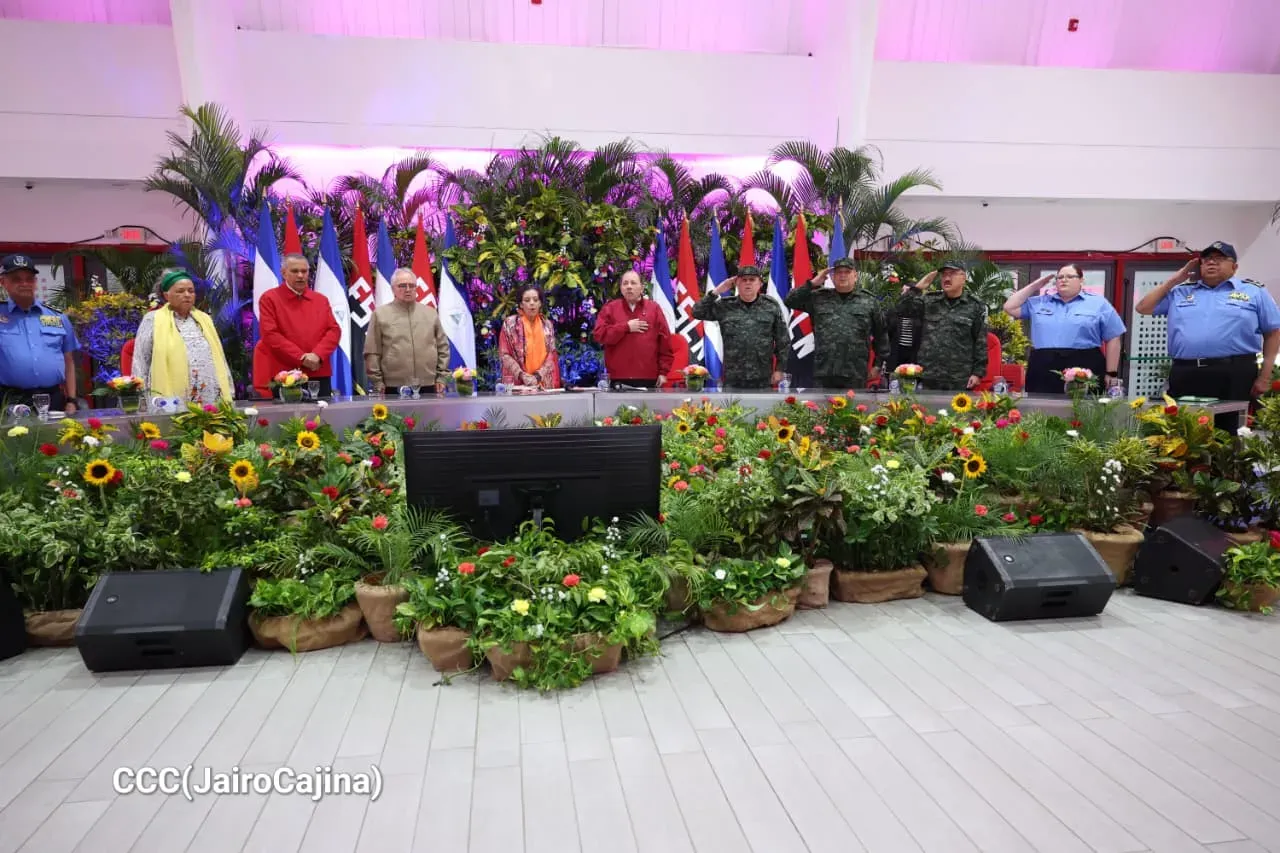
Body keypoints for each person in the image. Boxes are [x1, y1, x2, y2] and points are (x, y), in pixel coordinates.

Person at [1136, 242, 1280, 405]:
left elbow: (1273, 333)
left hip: (1235, 371)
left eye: (1219, 258)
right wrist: (1176, 279)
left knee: (1231, 425)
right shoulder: (1181, 291)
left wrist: (1264, 377)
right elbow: (1142, 307)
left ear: (1234, 266)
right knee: (1182, 426)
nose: (1211, 262)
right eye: (1206, 259)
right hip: (1186, 371)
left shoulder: (1254, 291)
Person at [1003, 264, 1126, 394]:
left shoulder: (1099, 303)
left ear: (1081, 280)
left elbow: (1114, 337)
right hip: (1044, 365)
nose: (1063, 279)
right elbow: (1009, 307)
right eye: (1060, 277)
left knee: (1084, 410)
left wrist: (1111, 372)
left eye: (1070, 276)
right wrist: (1035, 286)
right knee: (1041, 409)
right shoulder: (1039, 302)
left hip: (1085, 365)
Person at [132, 269, 234, 404]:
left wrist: (229, 389)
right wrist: (141, 397)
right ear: (166, 295)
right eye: (180, 291)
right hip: (171, 398)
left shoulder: (204, 319)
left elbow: (219, 357)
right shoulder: (153, 320)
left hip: (209, 394)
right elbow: (141, 360)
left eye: (191, 291)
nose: (187, 295)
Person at [784, 257, 886, 390]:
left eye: (847, 272)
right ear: (832, 277)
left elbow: (881, 335)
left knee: (854, 409)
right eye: (838, 273)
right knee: (822, 409)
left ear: (855, 276)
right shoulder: (818, 298)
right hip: (824, 371)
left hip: (855, 372)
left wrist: (878, 365)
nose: (842, 276)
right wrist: (812, 284)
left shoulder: (869, 301)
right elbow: (789, 301)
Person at [0, 254, 80, 414]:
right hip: (11, 401)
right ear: (3, 282)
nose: (24, 284)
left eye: (29, 278)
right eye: (16, 279)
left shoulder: (57, 317)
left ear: (35, 282)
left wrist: (71, 400)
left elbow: (69, 361)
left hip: (53, 399)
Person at [253, 253, 341, 398]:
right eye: (295, 271)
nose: (300, 275)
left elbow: (334, 330)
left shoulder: (320, 300)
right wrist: (302, 358)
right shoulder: (270, 299)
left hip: (318, 373)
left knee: (322, 418)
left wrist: (318, 355)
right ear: (283, 273)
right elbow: (270, 334)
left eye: (304, 271)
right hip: (285, 375)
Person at [692, 265, 788, 389]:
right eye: (743, 280)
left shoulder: (771, 306)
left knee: (764, 408)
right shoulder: (725, 306)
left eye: (752, 280)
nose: (748, 283)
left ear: (760, 284)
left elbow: (783, 340)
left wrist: (779, 369)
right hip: (733, 377)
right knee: (731, 408)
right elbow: (696, 312)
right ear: (737, 283)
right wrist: (717, 291)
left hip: (763, 377)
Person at [896, 261, 987, 391]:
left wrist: (978, 372)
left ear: (964, 278)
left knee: (958, 411)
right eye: (944, 275)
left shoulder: (975, 306)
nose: (947, 278)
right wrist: (918, 288)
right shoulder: (929, 301)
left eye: (952, 274)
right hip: (928, 374)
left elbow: (980, 341)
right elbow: (901, 309)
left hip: (960, 377)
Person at [364, 267, 450, 395]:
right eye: (402, 286)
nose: (408, 289)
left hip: (429, 384)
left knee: (430, 416)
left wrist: (442, 377)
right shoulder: (380, 314)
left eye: (412, 285)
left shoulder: (430, 313)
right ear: (393, 289)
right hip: (392, 386)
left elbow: (443, 347)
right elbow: (372, 351)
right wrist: (377, 381)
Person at [592, 270, 673, 388]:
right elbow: (599, 335)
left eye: (633, 283)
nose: (629, 287)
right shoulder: (610, 308)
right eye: (625, 283)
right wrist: (626, 327)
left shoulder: (654, 309)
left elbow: (665, 342)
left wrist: (663, 372)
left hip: (649, 378)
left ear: (642, 287)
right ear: (621, 288)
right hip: (618, 378)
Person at [498, 286, 562, 389]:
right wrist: (522, 375)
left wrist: (537, 376)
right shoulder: (510, 324)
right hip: (519, 382)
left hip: (542, 382)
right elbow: (504, 354)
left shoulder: (547, 325)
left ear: (540, 303)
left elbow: (551, 354)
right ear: (521, 304)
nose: (532, 303)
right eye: (527, 300)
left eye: (535, 300)